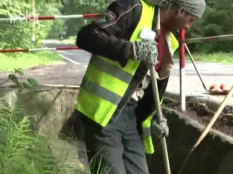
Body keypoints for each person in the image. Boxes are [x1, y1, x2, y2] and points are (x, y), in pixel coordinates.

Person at [75, 0, 206, 173]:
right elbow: (87, 36)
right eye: (191, 20)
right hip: (104, 115)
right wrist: (131, 50)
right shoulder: (134, 8)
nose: (189, 27)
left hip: (132, 119)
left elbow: (147, 85)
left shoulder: (168, 41)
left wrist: (155, 119)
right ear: (180, 11)